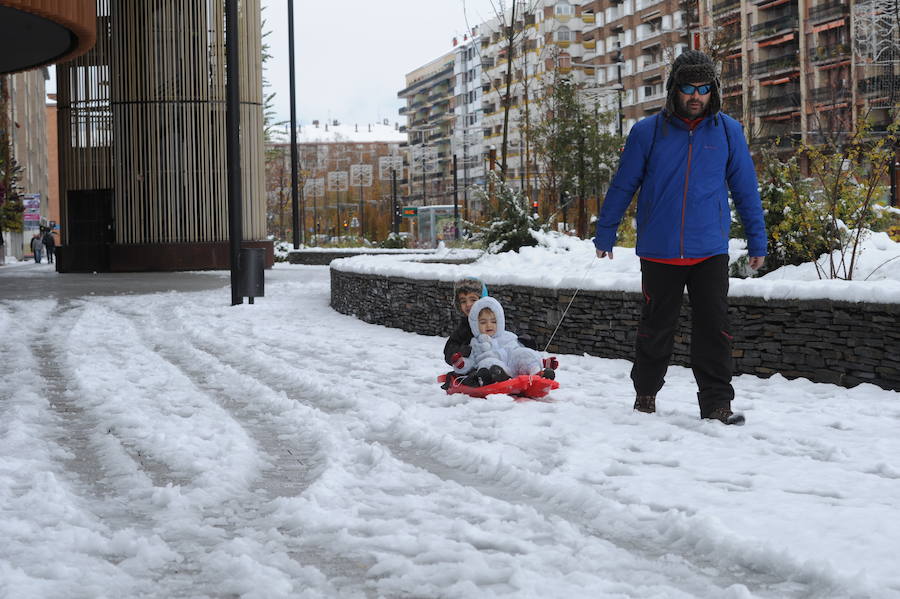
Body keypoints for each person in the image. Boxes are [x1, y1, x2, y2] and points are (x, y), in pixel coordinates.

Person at [593, 50, 767, 425]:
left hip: (709, 251)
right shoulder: (646, 132)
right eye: (688, 87)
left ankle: (717, 404)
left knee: (715, 330)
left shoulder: (728, 132)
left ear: (713, 91)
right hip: (660, 250)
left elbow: (745, 190)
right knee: (656, 328)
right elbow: (623, 185)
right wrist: (605, 231)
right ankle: (646, 394)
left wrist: (757, 241)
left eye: (704, 88)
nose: (695, 95)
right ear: (674, 89)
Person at [455, 296, 554, 387]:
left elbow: (523, 350)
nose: (489, 325)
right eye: (483, 322)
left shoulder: (508, 336)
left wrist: (542, 361)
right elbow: (471, 361)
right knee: (487, 363)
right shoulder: (475, 343)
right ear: (475, 325)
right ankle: (499, 377)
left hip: (514, 366)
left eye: (493, 321)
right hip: (497, 370)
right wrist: (461, 363)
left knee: (522, 353)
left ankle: (537, 373)